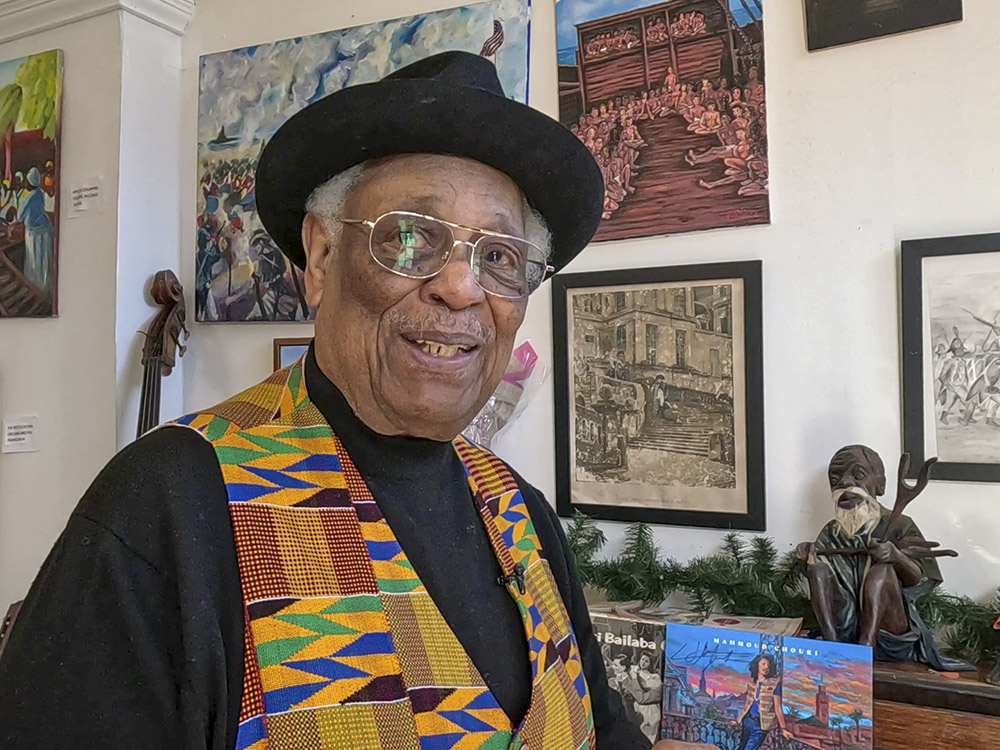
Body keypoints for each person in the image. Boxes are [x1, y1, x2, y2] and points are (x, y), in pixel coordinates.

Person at [0, 52, 664, 750]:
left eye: (499, 257)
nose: (463, 289)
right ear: (319, 259)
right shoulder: (169, 505)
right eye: (411, 237)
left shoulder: (524, 513)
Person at [795, 445, 969, 670]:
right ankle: (831, 644)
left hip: (889, 632)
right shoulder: (831, 532)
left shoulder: (899, 524)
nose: (845, 484)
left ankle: (866, 647)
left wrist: (896, 556)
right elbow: (823, 581)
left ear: (880, 484)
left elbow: (920, 579)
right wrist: (807, 559)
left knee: (883, 570)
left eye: (858, 475)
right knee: (817, 569)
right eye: (835, 478)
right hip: (846, 628)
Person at [730, 654, 792, 750]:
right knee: (741, 747)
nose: (766, 667)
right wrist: (738, 721)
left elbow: (777, 708)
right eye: (763, 664)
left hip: (760, 725)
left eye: (768, 665)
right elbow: (747, 704)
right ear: (757, 665)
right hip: (747, 721)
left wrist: (783, 728)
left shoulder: (775, 684)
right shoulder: (752, 684)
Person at [16, 167, 54, 292]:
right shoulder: (40, 193)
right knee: (42, 260)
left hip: (34, 233)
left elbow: (19, 216)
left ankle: (34, 286)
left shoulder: (29, 196)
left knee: (34, 259)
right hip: (45, 229)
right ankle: (43, 286)